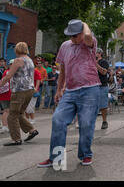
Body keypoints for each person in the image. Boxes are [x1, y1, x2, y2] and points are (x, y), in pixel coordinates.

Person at [37, 20, 101, 167]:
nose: (72, 38)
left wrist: (84, 23)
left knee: (86, 123)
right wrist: (59, 89)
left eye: (75, 35)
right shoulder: (65, 46)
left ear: (81, 32)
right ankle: (56, 158)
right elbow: (63, 70)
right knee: (58, 119)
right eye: (70, 35)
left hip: (90, 89)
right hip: (70, 91)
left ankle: (85, 154)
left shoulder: (89, 43)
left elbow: (87, 36)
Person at [0, 42, 39, 146]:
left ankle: (16, 139)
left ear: (17, 50)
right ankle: (32, 130)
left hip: (19, 90)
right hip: (29, 90)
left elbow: (8, 76)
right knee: (20, 113)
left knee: (12, 115)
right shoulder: (30, 60)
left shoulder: (18, 60)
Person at [96, 48, 110, 130]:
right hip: (93, 86)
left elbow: (104, 72)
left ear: (100, 54)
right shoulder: (91, 61)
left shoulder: (104, 62)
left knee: (103, 105)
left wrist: (96, 65)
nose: (94, 54)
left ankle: (104, 121)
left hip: (102, 86)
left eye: (96, 53)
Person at [0, 60, 12, 134]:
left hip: (5, 93)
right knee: (7, 110)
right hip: (7, 93)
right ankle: (5, 126)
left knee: (6, 110)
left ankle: (5, 126)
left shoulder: (6, 71)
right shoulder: (8, 72)